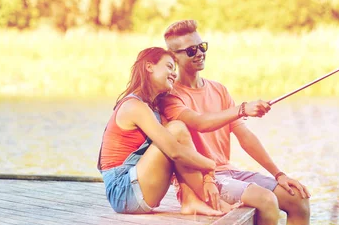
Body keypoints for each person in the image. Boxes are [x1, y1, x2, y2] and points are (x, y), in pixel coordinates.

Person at [159, 20, 311, 225]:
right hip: (203, 178)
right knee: (266, 200)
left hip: (229, 172)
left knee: (298, 200)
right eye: (191, 51)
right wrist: (241, 108)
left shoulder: (218, 89)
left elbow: (245, 136)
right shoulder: (171, 97)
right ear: (173, 57)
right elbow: (201, 123)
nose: (200, 53)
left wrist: (279, 174)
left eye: (202, 46)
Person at [97, 46, 239, 216]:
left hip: (136, 188)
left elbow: (178, 153)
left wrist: (208, 174)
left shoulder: (152, 109)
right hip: (123, 192)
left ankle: (191, 201)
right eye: (169, 67)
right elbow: (175, 152)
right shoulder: (133, 106)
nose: (174, 74)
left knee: (176, 130)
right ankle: (212, 202)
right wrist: (210, 166)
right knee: (176, 131)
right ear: (149, 67)